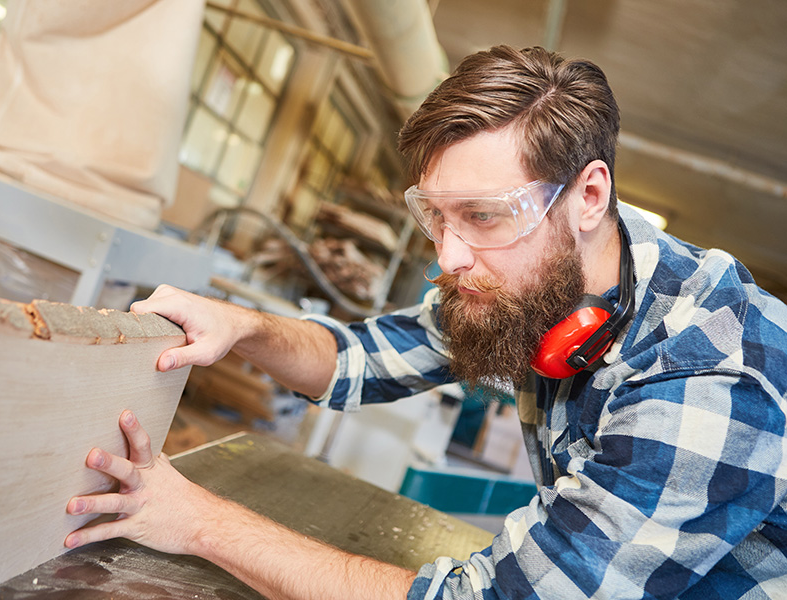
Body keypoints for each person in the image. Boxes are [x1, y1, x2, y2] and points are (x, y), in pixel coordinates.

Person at [64, 46, 787, 599]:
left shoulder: (710, 375)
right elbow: (365, 357)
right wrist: (244, 328)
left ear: (588, 196)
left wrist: (197, 521)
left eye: (482, 216)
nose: (448, 257)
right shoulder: (551, 273)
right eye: (436, 217)